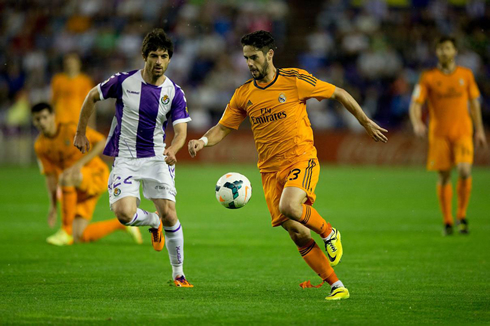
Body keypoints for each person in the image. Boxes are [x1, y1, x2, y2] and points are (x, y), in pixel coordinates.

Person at [188, 30, 388, 301]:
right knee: (297, 232)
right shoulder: (243, 94)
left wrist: (364, 122)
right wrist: (202, 140)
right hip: (269, 172)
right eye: (246, 58)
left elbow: (338, 92)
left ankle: (330, 232)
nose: (250, 64)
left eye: (254, 57)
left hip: (300, 158)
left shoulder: (294, 80)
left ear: (270, 54)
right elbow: (222, 128)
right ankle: (336, 285)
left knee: (290, 206)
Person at [74, 28, 193, 287]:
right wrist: (80, 131)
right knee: (124, 214)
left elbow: (181, 131)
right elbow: (91, 96)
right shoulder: (123, 82)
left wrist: (173, 149)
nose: (158, 61)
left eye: (163, 56)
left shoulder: (175, 92)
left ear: (170, 59)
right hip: (125, 157)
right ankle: (152, 221)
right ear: (144, 56)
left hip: (156, 158)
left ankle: (178, 273)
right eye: (153, 55)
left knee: (170, 213)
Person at [32, 102, 142, 246]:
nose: (42, 122)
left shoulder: (70, 130)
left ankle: (65, 230)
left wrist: (79, 164)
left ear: (53, 116)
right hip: (76, 187)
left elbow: (101, 142)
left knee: (66, 176)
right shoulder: (40, 146)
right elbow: (50, 177)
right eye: (37, 119)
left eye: (44, 117)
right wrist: (53, 206)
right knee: (79, 236)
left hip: (95, 175)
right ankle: (121, 225)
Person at [409, 36, 487, 236]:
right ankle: (447, 221)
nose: (444, 52)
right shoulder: (428, 77)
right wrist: (417, 123)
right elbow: (416, 104)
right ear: (436, 52)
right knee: (443, 175)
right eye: (441, 48)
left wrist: (479, 130)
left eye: (448, 48)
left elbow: (475, 103)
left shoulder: (466, 75)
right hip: (439, 135)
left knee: (463, 170)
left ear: (455, 52)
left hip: (463, 133)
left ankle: (461, 215)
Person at [51, 53, 95, 126]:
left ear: (79, 64)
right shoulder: (57, 80)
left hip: (77, 119)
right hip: (60, 119)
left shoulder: (85, 81)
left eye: (72, 63)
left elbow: (90, 103)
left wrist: (91, 123)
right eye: (67, 63)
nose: (70, 66)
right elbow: (53, 101)